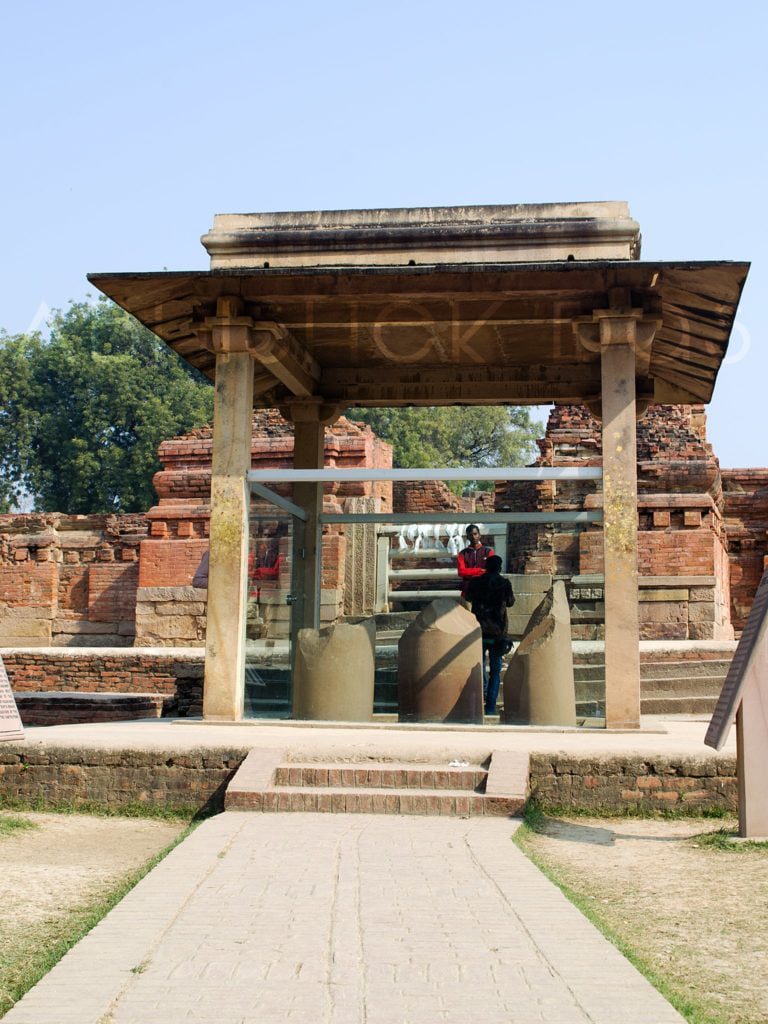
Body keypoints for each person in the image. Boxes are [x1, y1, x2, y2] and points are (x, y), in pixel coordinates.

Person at [465, 555, 515, 716]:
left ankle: (481, 699)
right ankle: (491, 707)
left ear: (486, 567)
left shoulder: (476, 582)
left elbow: (467, 597)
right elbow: (511, 602)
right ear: (499, 568)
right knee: (495, 670)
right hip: (497, 632)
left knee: (478, 667)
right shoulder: (504, 583)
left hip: (478, 630)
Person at [457, 524, 494, 598]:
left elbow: (492, 570)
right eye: (471, 535)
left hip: (485, 590)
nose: (473, 537)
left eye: (475, 534)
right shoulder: (463, 554)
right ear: (467, 537)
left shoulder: (488, 552)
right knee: (467, 610)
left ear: (479, 535)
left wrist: (469, 572)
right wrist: (480, 570)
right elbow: (461, 572)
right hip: (468, 591)